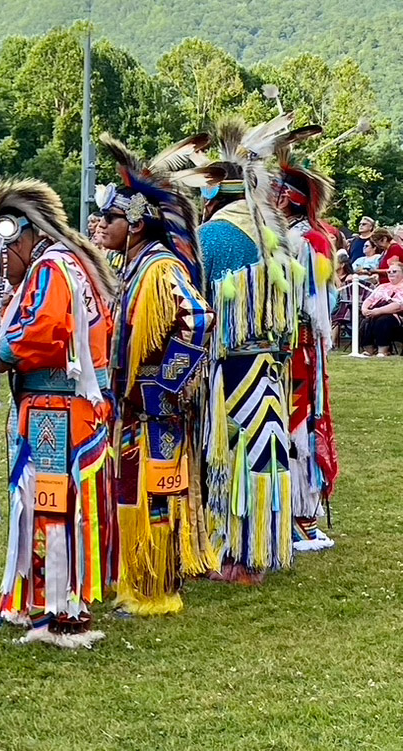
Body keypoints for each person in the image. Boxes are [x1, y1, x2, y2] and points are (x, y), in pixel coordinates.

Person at [0, 119, 115, 646]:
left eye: (6, 242)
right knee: (52, 503)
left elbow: (39, 333)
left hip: (57, 406)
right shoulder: (67, 263)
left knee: (50, 502)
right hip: (63, 405)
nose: (2, 256)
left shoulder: (53, 268)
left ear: (24, 231)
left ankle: (57, 610)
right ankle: (45, 601)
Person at [97, 133, 217, 615]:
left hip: (155, 407)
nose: (102, 225)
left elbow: (200, 318)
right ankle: (136, 579)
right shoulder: (134, 266)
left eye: (111, 218)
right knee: (130, 489)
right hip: (132, 406)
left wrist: (167, 381)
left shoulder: (159, 268)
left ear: (138, 223)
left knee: (157, 491)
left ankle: (158, 589)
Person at [198, 117, 299, 583]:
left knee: (229, 454)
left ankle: (231, 554)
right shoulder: (274, 238)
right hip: (269, 367)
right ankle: (260, 554)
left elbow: (193, 306)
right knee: (263, 454)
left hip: (228, 366)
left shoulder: (212, 238)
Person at [276, 147, 339, 552]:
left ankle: (304, 518)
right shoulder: (285, 235)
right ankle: (289, 513)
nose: (277, 197)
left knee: (301, 424)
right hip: (283, 345)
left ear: (299, 197)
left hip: (301, 347)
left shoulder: (314, 240)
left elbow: (318, 307)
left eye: (284, 191)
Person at [360, 261, 403, 356]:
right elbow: (369, 299)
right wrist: (365, 309)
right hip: (375, 312)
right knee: (366, 321)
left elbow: (398, 305)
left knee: (383, 320)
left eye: (394, 271)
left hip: (396, 315)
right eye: (389, 272)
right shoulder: (382, 286)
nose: (391, 273)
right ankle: (368, 349)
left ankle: (383, 350)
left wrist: (377, 311)